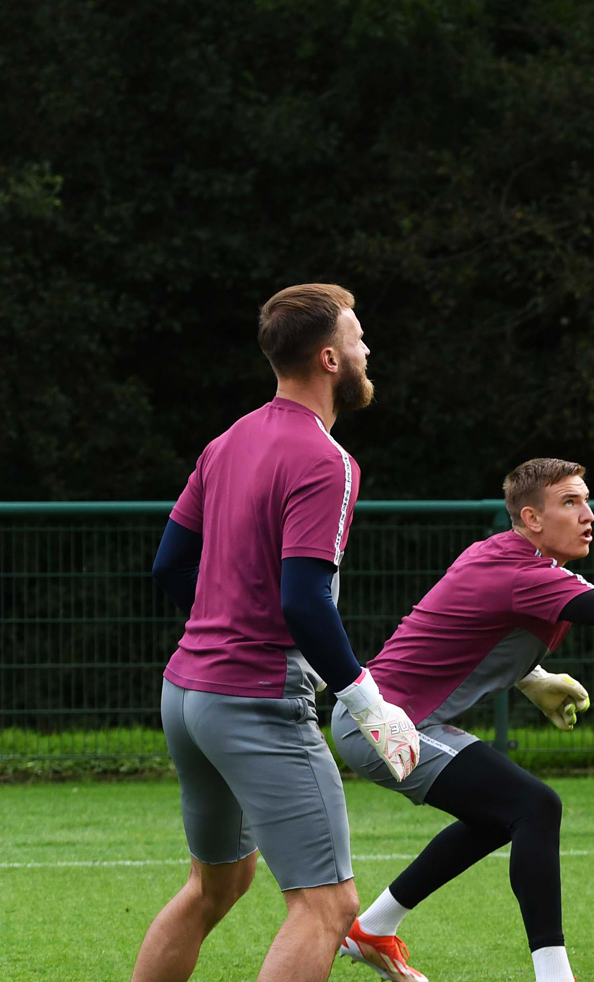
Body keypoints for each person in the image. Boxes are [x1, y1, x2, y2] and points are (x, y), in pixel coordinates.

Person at [332, 457, 594, 982]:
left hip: (397, 719)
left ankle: (372, 930)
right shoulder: (521, 571)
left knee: (501, 816)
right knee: (534, 806)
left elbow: (460, 630)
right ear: (532, 518)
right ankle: (555, 977)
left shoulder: (510, 558)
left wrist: (531, 677)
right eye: (570, 502)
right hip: (381, 726)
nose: (588, 514)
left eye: (586, 500)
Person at [136, 283, 420, 982]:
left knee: (216, 887)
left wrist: (221, 623)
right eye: (357, 337)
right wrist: (368, 702)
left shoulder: (228, 439)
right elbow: (304, 602)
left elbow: (170, 564)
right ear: (329, 359)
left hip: (186, 695)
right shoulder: (328, 462)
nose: (366, 348)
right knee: (328, 903)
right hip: (255, 701)